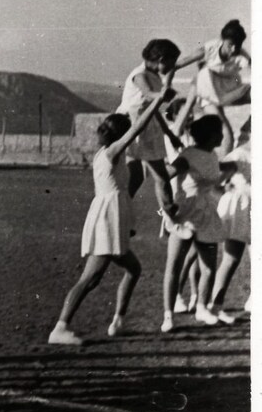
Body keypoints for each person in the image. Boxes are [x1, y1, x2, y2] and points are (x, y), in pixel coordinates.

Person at [48, 70, 175, 345]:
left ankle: (118, 321)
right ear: (119, 134)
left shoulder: (104, 155)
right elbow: (138, 128)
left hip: (112, 216)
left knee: (134, 269)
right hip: (107, 218)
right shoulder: (112, 152)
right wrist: (157, 102)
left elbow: (136, 176)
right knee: (91, 278)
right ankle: (60, 327)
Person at [160, 114, 228, 333]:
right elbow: (165, 176)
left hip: (207, 213)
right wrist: (168, 204)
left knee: (209, 265)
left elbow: (212, 184)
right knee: (175, 265)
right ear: (212, 135)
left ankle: (201, 308)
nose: (223, 136)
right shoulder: (187, 155)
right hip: (186, 214)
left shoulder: (213, 155)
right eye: (220, 133)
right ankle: (168, 316)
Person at [116, 39, 181, 226]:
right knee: (137, 175)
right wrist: (160, 95)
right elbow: (148, 93)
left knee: (158, 175)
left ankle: (170, 211)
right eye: (170, 62)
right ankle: (120, 213)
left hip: (147, 126)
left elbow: (154, 109)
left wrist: (170, 134)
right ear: (161, 58)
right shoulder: (139, 75)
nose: (171, 67)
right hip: (131, 127)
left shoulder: (155, 76)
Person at [177, 19, 250, 157]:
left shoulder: (241, 54)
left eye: (238, 45)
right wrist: (165, 81)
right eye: (230, 45)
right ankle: (222, 169)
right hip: (209, 94)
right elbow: (180, 63)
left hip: (227, 91)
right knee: (226, 133)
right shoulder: (211, 48)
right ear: (222, 40)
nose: (234, 49)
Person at [209, 118, 251, 322]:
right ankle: (215, 306)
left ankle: (253, 300)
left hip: (250, 206)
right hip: (240, 207)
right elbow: (214, 178)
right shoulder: (240, 154)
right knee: (231, 258)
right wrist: (223, 189)